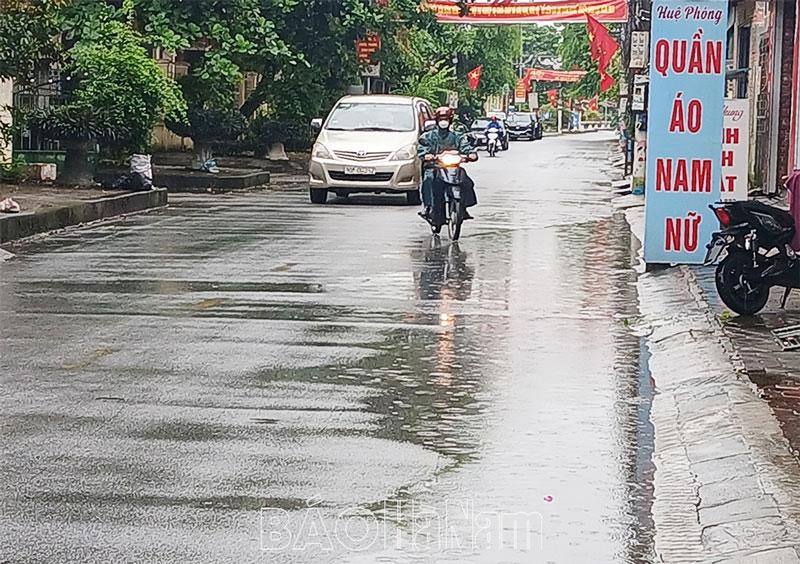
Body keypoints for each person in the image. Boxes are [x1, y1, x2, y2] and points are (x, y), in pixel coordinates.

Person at [417, 106, 478, 221]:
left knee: (467, 182)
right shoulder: (428, 136)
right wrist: (427, 155)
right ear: (437, 120)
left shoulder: (457, 136)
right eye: (441, 119)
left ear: (450, 120)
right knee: (428, 179)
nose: (443, 122)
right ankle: (428, 206)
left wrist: (471, 154)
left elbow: (466, 147)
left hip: (453, 167)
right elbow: (422, 148)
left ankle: (462, 207)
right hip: (434, 167)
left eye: (445, 119)